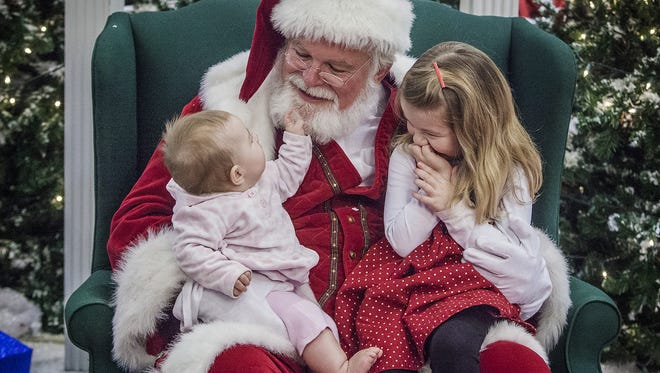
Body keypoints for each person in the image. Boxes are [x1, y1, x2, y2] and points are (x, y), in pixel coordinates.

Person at [108, 1, 568, 372]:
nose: (309, 78)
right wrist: (230, 282)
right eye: (301, 54)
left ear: (377, 66)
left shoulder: (429, 113)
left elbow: (499, 194)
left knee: (512, 362)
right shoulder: (230, 115)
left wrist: (526, 274)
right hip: (276, 327)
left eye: (336, 67)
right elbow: (139, 219)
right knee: (239, 366)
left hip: (412, 319)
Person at [336, 41, 548, 373]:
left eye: (431, 133)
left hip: (471, 280)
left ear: (474, 130)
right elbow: (401, 242)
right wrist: (429, 197)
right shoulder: (408, 153)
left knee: (454, 343)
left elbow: (507, 252)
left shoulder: (510, 170)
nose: (417, 139)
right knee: (382, 347)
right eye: (409, 124)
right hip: (404, 276)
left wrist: (452, 206)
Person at [160, 109, 383, 373]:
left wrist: (296, 136)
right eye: (251, 140)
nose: (258, 138)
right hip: (254, 286)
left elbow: (289, 173)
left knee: (308, 317)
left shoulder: (262, 181)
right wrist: (226, 273)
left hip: (279, 278)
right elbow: (190, 250)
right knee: (306, 318)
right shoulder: (206, 210)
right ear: (237, 174)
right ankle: (340, 368)